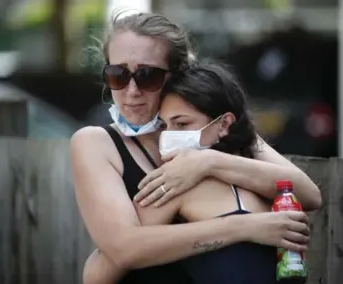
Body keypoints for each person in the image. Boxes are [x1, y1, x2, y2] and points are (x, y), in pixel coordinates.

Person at [70, 9, 321, 284]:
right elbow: (121, 250)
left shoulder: (207, 128)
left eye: (147, 75)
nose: (132, 90)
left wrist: (207, 163)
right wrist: (244, 226)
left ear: (175, 75)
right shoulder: (96, 142)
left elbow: (307, 193)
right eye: (118, 74)